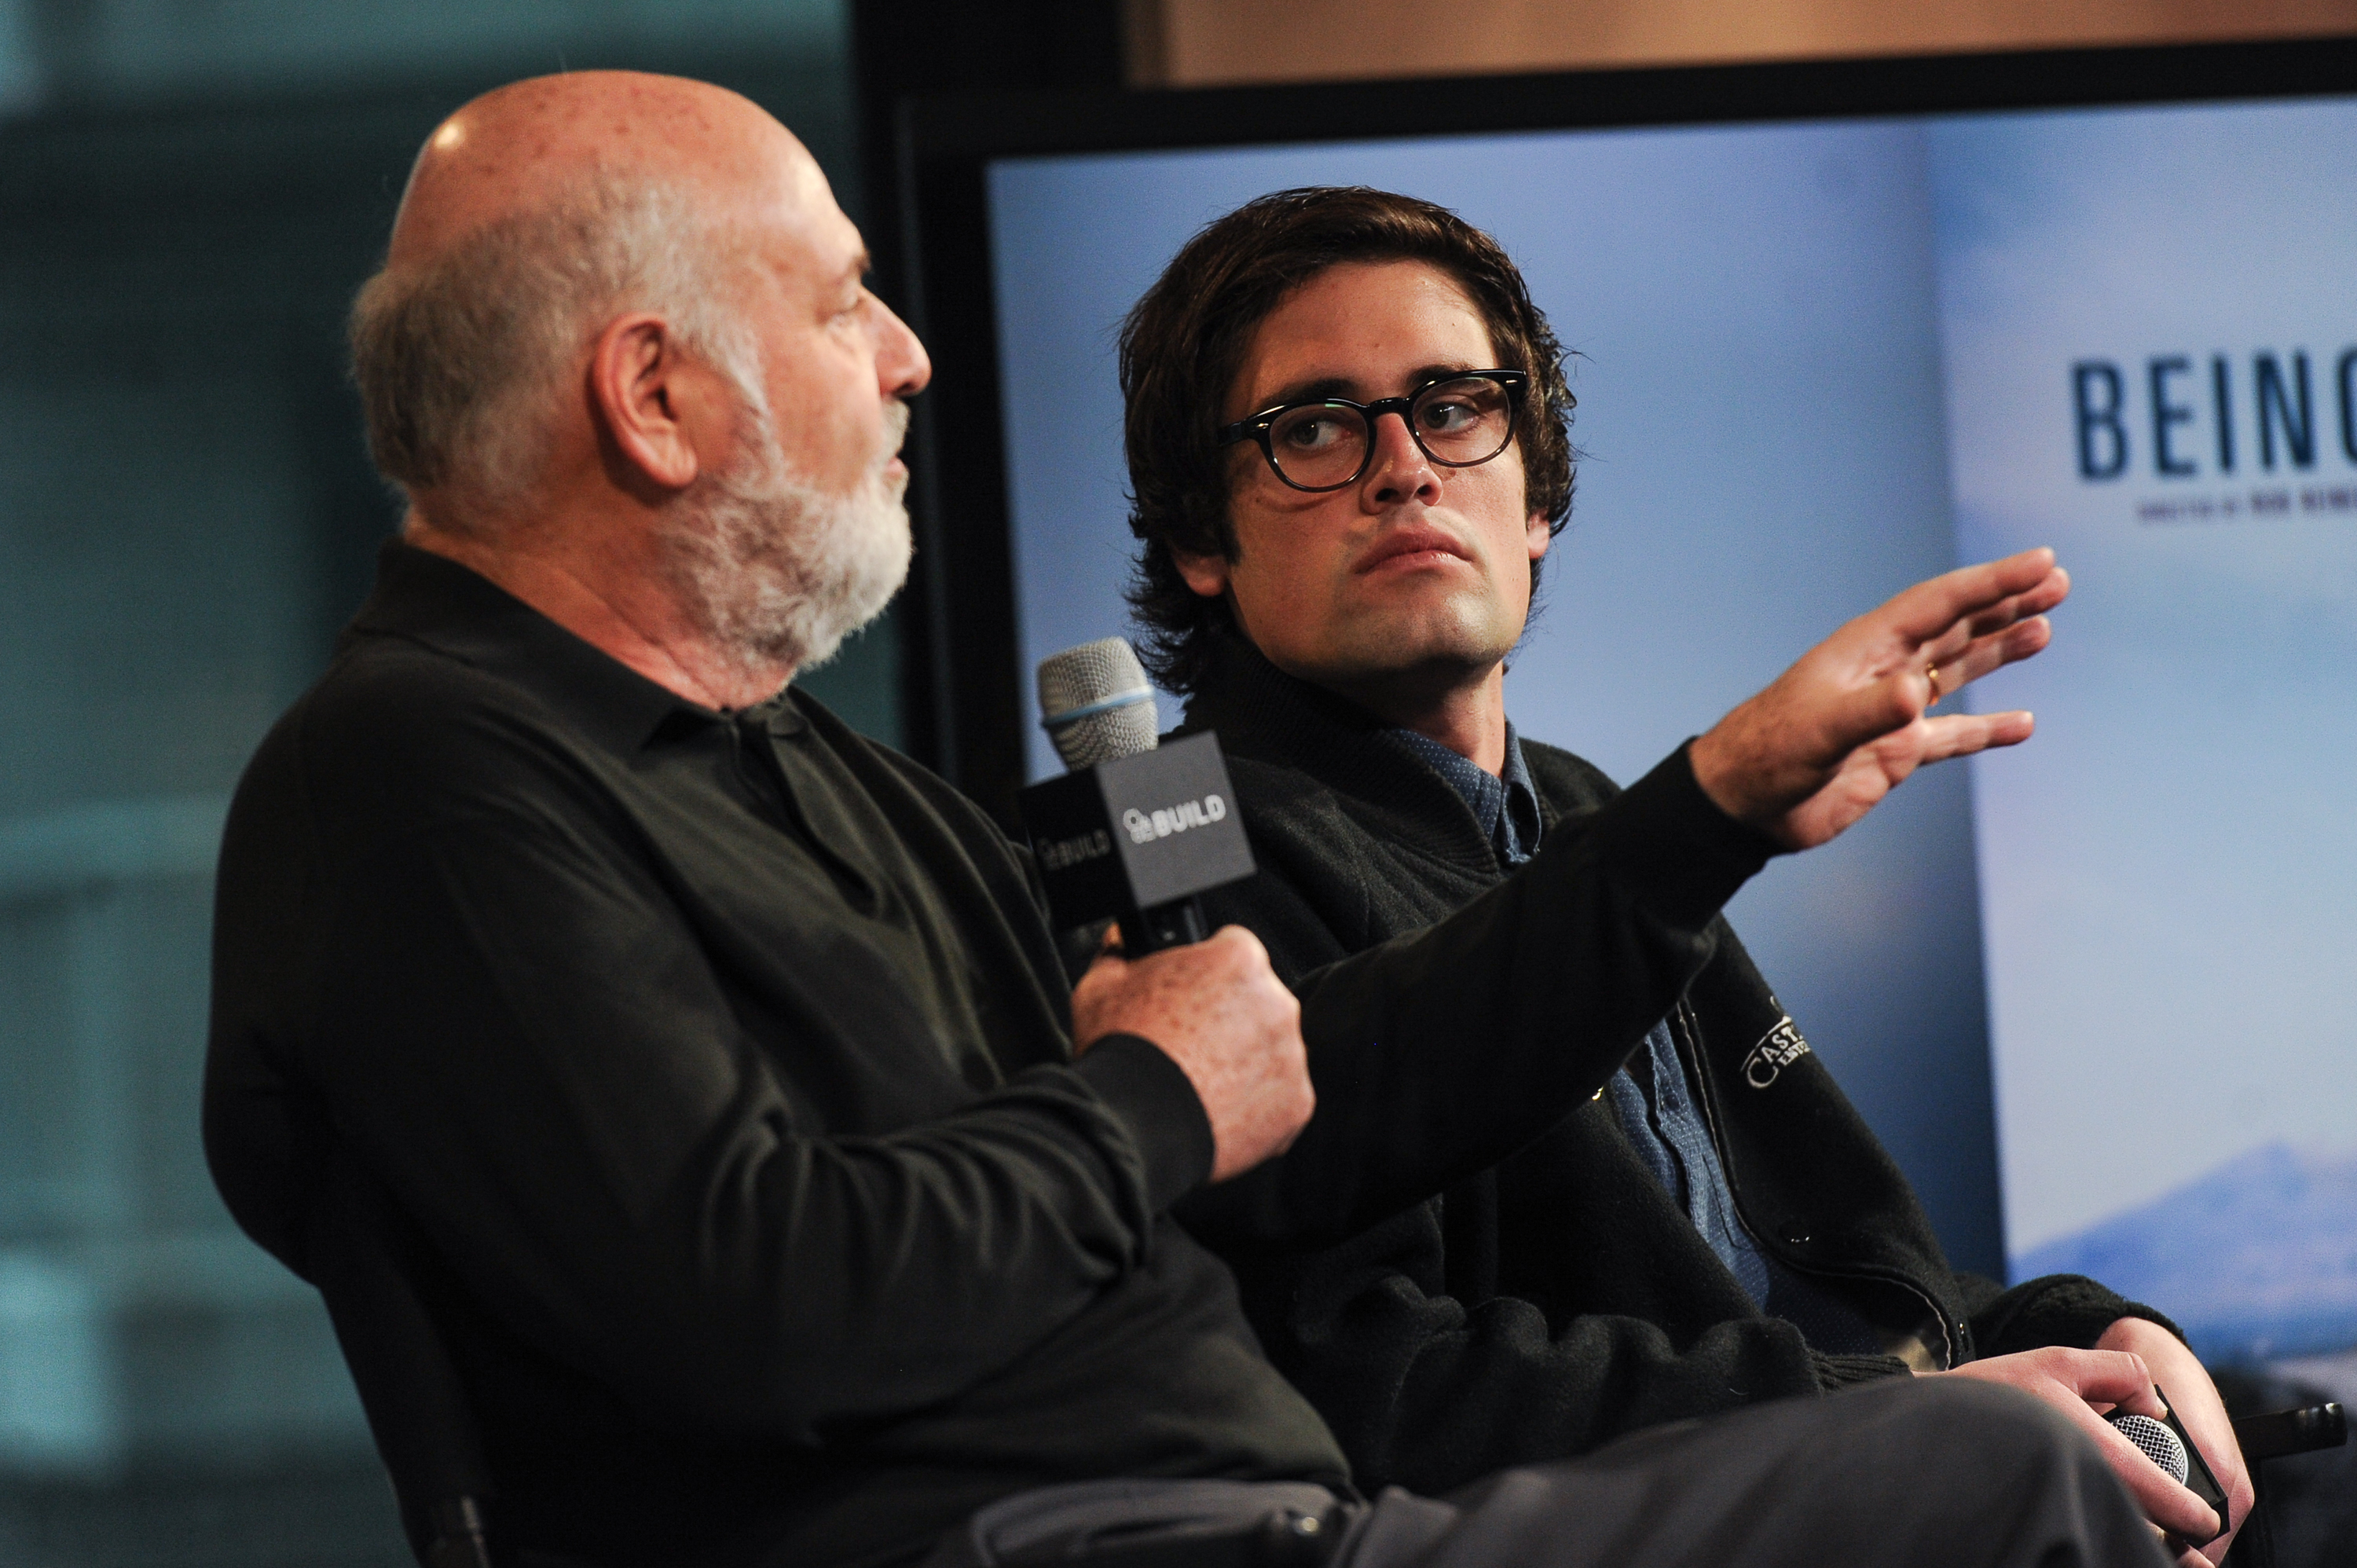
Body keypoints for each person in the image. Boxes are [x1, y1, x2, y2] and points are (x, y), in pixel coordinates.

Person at [203, 74, 2172, 1568]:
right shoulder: (420, 776)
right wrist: (1146, 1101)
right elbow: (761, 1298)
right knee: (1998, 1470)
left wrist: (1701, 816)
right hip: (1100, 1538)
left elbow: (1297, 1106)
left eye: (1454, 412)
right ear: (653, 396)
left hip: (1253, 1512)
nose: (908, 354)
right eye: (842, 303)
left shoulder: (809, 775)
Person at [1116, 186, 2251, 1566]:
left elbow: (1811, 1284)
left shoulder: (1584, 805)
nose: (1403, 467)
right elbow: (1369, 1380)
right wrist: (1906, 1415)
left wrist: (2082, 1337)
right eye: (1312, 428)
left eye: (1456, 406)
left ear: (1537, 496)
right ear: (1198, 542)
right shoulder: (1175, 842)